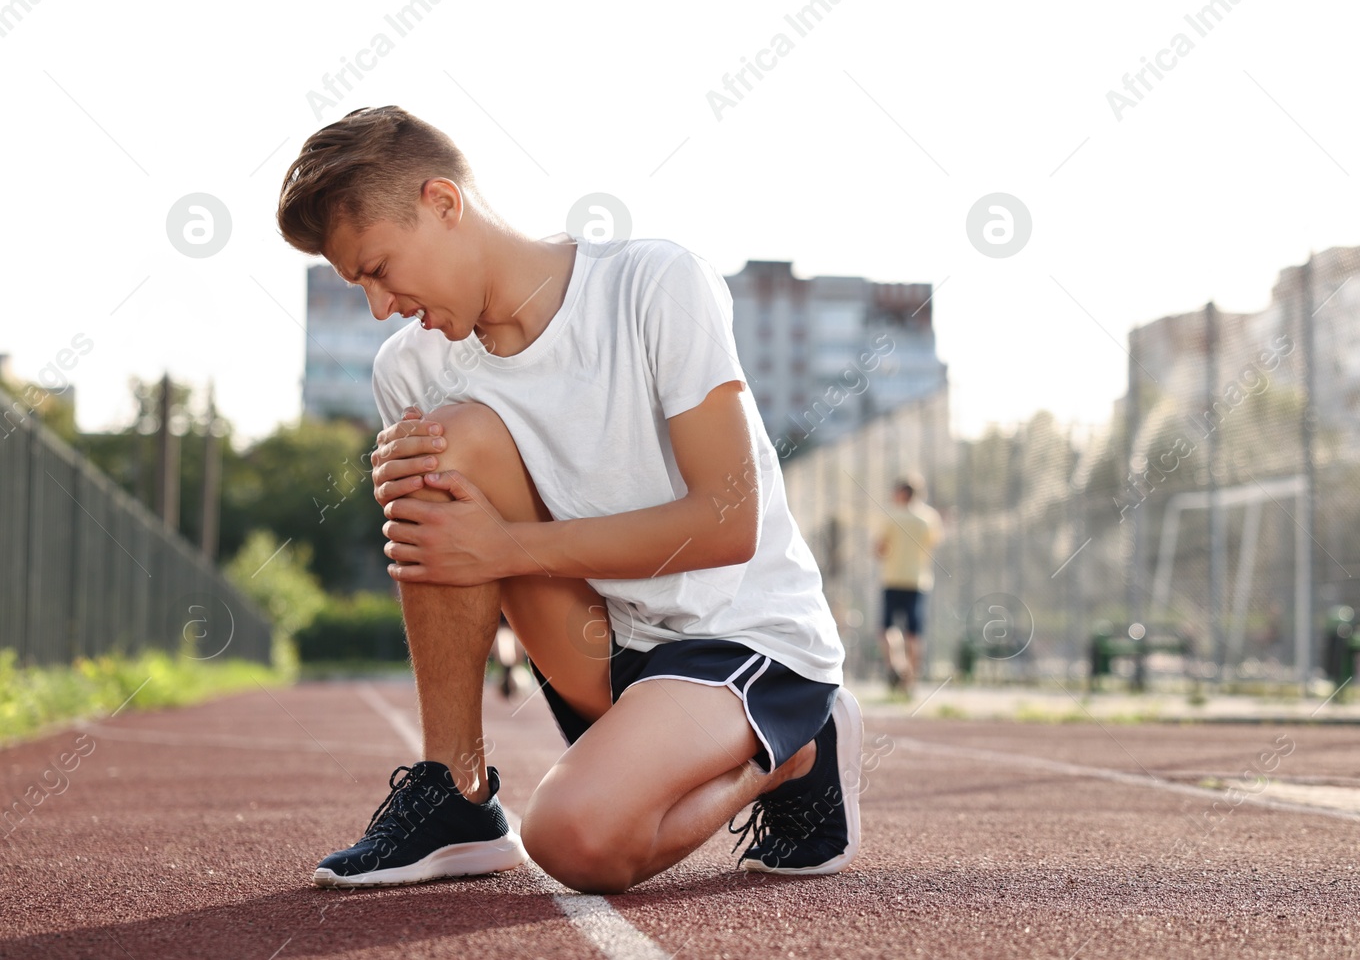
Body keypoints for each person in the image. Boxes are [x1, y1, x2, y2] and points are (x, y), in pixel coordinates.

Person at [275, 105, 859, 894]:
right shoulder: (408, 371)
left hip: (737, 635)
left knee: (572, 840)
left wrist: (507, 550)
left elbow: (727, 525)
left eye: (379, 268)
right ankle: (457, 790)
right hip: (599, 643)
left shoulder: (653, 282)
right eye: (359, 285)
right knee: (436, 448)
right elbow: (456, 561)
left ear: (443, 204)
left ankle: (791, 752)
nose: (380, 304)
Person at [873, 472, 942, 698]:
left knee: (887, 629)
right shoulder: (929, 517)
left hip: (892, 579)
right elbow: (932, 543)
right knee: (914, 633)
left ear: (902, 493)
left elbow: (880, 550)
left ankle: (896, 666)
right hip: (917, 582)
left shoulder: (891, 516)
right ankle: (910, 681)